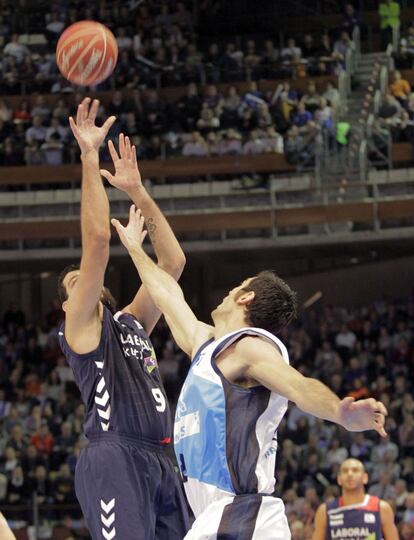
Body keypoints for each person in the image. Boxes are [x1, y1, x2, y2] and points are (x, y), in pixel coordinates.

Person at [110, 206, 388, 540]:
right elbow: (168, 295)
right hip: (215, 517)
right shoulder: (207, 346)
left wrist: (340, 411)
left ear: (246, 296)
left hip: (243, 515)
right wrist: (137, 205)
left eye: (237, 286)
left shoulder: (251, 348)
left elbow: (298, 386)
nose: (228, 290)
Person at [57, 98, 189, 540]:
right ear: (67, 306)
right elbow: (96, 240)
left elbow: (172, 264)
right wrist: (90, 156)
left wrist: (137, 191)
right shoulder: (80, 330)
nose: (81, 281)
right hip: (115, 457)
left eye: (83, 279)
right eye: (72, 284)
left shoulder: (130, 321)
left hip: (161, 458)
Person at [312, 458, 398, 539]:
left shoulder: (381, 508)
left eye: (355, 470)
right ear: (339, 479)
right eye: (345, 471)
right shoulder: (325, 510)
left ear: (365, 478)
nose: (350, 474)